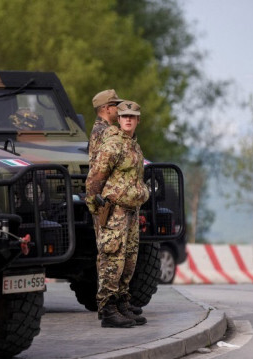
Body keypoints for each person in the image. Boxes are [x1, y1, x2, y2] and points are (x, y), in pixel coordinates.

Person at [85, 100, 150, 328]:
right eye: (124, 116)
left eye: (132, 116)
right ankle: (107, 308)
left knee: (128, 261)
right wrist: (98, 210)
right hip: (115, 211)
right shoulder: (112, 144)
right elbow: (94, 180)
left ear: (137, 120)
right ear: (119, 119)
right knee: (111, 260)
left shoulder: (134, 146)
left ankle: (122, 302)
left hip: (131, 212)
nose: (128, 120)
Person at [88, 89, 123, 162]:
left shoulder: (99, 129)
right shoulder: (106, 131)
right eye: (117, 105)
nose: (120, 108)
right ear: (107, 108)